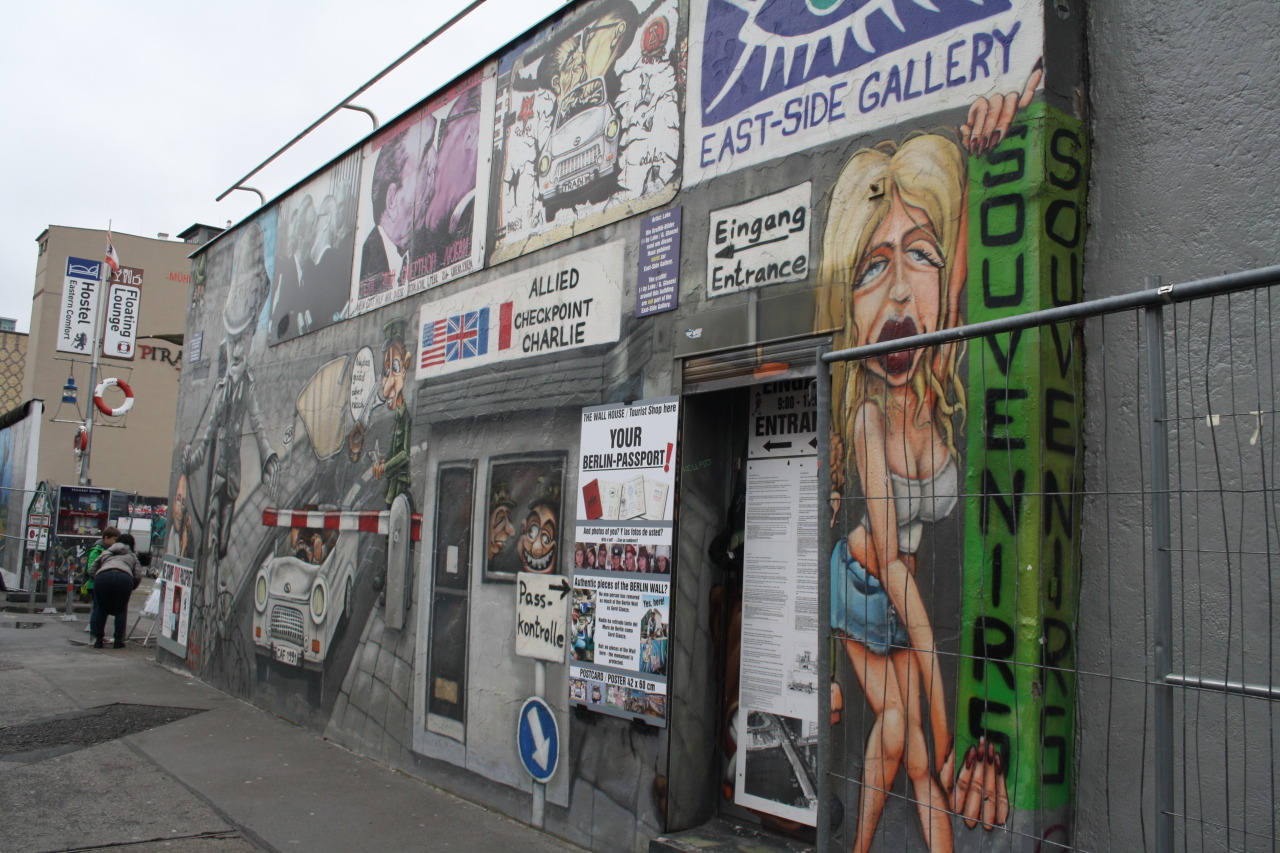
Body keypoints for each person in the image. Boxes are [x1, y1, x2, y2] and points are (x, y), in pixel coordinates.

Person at [89, 532, 140, 649]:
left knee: (101, 609)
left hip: (102, 577)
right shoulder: (132, 556)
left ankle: (98, 640)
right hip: (124, 578)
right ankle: (118, 640)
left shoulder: (106, 552)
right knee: (120, 610)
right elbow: (137, 575)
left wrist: (98, 578)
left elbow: (92, 569)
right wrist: (132, 586)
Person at [82, 527, 120, 634]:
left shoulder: (109, 550)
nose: (115, 543)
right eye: (114, 540)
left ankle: (97, 632)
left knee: (100, 609)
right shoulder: (97, 550)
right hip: (96, 584)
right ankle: (94, 632)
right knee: (97, 609)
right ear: (106, 538)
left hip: (102, 584)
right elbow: (91, 569)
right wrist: (103, 577)